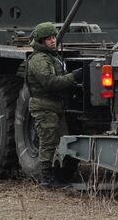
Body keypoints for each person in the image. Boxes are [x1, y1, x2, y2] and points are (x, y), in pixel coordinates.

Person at [24, 21, 82, 187]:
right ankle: (48, 179)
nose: (52, 41)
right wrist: (73, 77)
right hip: (44, 106)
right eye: (48, 38)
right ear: (41, 41)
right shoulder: (39, 60)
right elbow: (49, 82)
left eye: (53, 37)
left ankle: (59, 176)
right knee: (48, 142)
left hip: (55, 106)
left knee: (62, 141)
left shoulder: (51, 57)